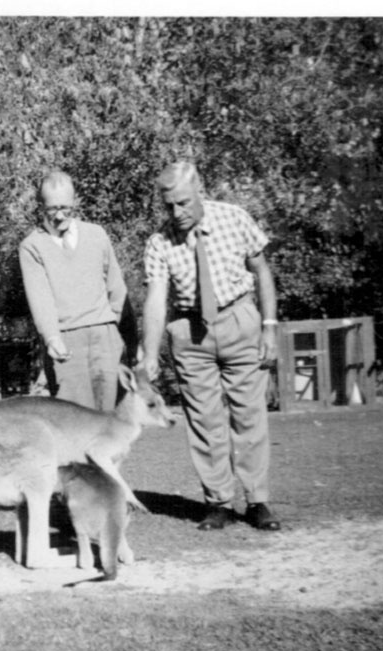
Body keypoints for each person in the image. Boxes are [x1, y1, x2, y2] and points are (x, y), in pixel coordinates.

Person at [140, 161, 281, 531]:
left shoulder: (234, 218)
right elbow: (156, 299)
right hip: (190, 332)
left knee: (248, 415)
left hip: (239, 319)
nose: (177, 213)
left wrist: (269, 328)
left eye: (184, 203)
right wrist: (151, 354)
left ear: (199, 191)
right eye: (169, 205)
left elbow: (262, 271)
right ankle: (217, 502)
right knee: (203, 421)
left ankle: (257, 501)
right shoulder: (159, 242)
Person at [20, 171, 127, 411]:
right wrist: (52, 337)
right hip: (66, 342)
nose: (59, 216)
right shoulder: (32, 246)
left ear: (75, 202)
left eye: (65, 208)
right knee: (75, 420)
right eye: (51, 209)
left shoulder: (96, 234)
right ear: (40, 206)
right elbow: (40, 299)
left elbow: (116, 288)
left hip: (104, 337)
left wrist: (113, 332)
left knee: (110, 421)